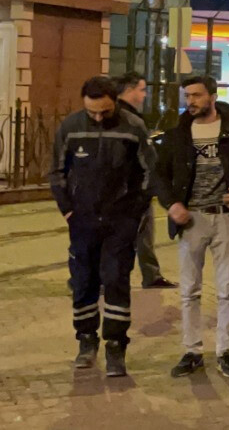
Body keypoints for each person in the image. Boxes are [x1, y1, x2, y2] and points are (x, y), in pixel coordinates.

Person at [157, 75, 229, 379]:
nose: (189, 101)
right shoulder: (178, 133)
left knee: (226, 289)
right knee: (189, 290)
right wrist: (171, 204)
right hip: (191, 218)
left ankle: (224, 351)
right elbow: (159, 176)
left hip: (225, 217)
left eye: (195, 95)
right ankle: (192, 351)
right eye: (186, 96)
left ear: (212, 96)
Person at [50, 76, 156, 378]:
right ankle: (86, 340)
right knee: (83, 281)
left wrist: (135, 211)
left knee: (116, 280)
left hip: (120, 221)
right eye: (92, 112)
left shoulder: (132, 127)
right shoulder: (71, 127)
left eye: (104, 112)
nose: (98, 117)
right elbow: (57, 170)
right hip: (82, 220)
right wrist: (68, 209)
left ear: (114, 102)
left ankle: (115, 345)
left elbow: (151, 171)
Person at [115, 72, 177, 290]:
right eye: (141, 90)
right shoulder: (125, 118)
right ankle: (107, 279)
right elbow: (142, 157)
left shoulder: (128, 116)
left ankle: (151, 275)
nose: (144, 95)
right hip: (129, 189)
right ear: (129, 90)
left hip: (137, 188)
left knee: (145, 233)